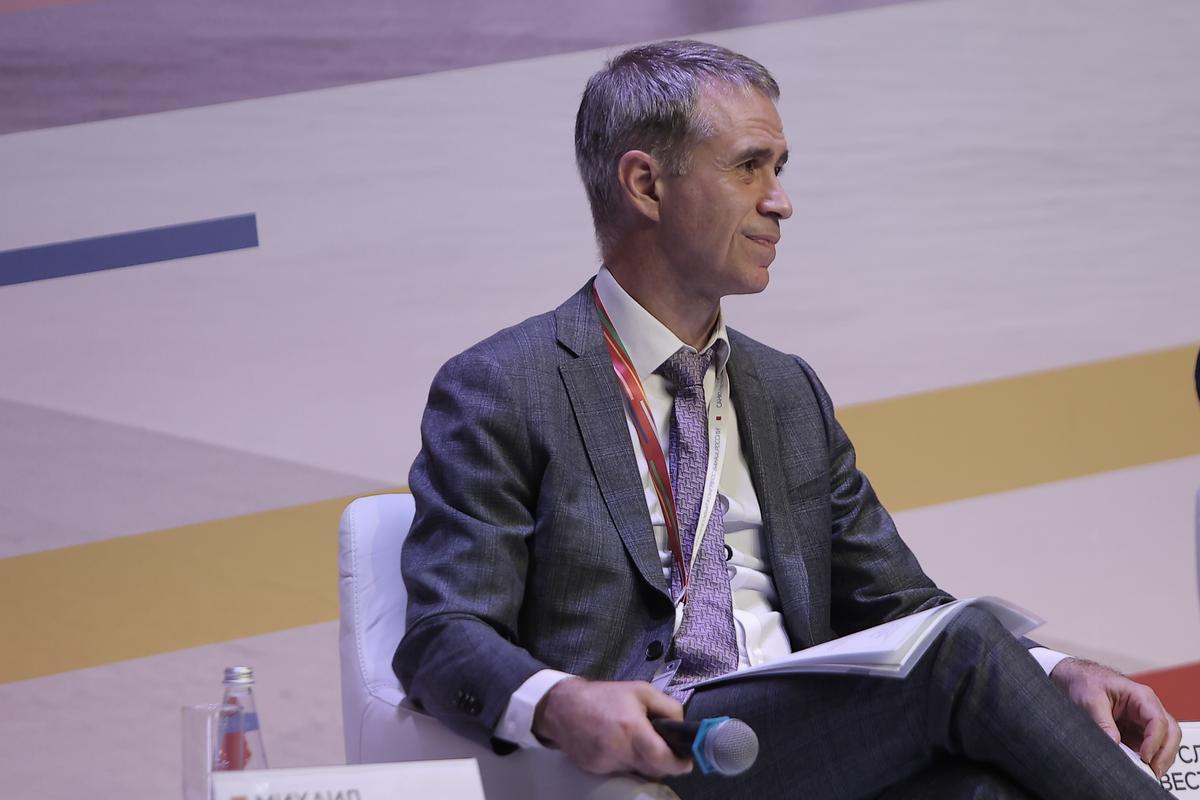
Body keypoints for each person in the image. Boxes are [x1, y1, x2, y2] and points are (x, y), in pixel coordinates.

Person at [394, 40, 1180, 798]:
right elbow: (443, 634)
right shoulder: (507, 384)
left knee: (985, 788)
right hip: (665, 745)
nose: (780, 201)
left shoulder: (785, 389)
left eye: (779, 169)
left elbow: (900, 606)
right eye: (748, 167)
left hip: (806, 743)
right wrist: (562, 702)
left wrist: (1052, 674)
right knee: (964, 649)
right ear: (646, 185)